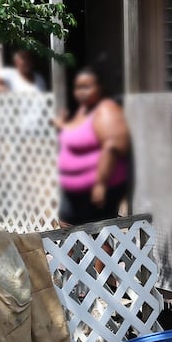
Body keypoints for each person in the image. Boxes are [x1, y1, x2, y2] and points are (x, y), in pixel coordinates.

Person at [55, 66, 131, 227]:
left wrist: (101, 184)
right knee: (66, 225)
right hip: (75, 190)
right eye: (78, 87)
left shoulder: (106, 110)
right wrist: (63, 126)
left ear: (99, 87)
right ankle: (78, 254)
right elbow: (79, 136)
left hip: (98, 187)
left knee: (97, 234)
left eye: (87, 86)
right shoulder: (84, 110)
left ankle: (105, 253)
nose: (81, 91)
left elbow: (112, 147)